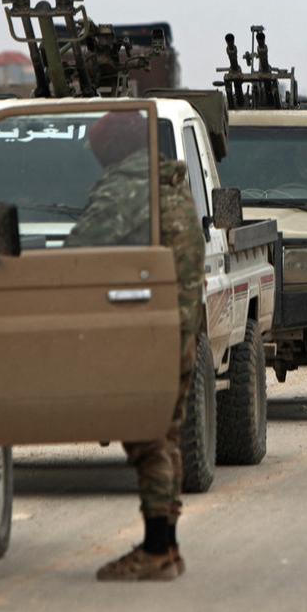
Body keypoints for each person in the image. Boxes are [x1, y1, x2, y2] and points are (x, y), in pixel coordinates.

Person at [67, 111, 206, 582]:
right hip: (179, 326)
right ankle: (166, 546)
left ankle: (156, 550)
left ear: (112, 151)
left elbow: (77, 254)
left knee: (150, 440)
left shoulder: (127, 190)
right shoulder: (169, 184)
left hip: (150, 332)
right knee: (167, 436)